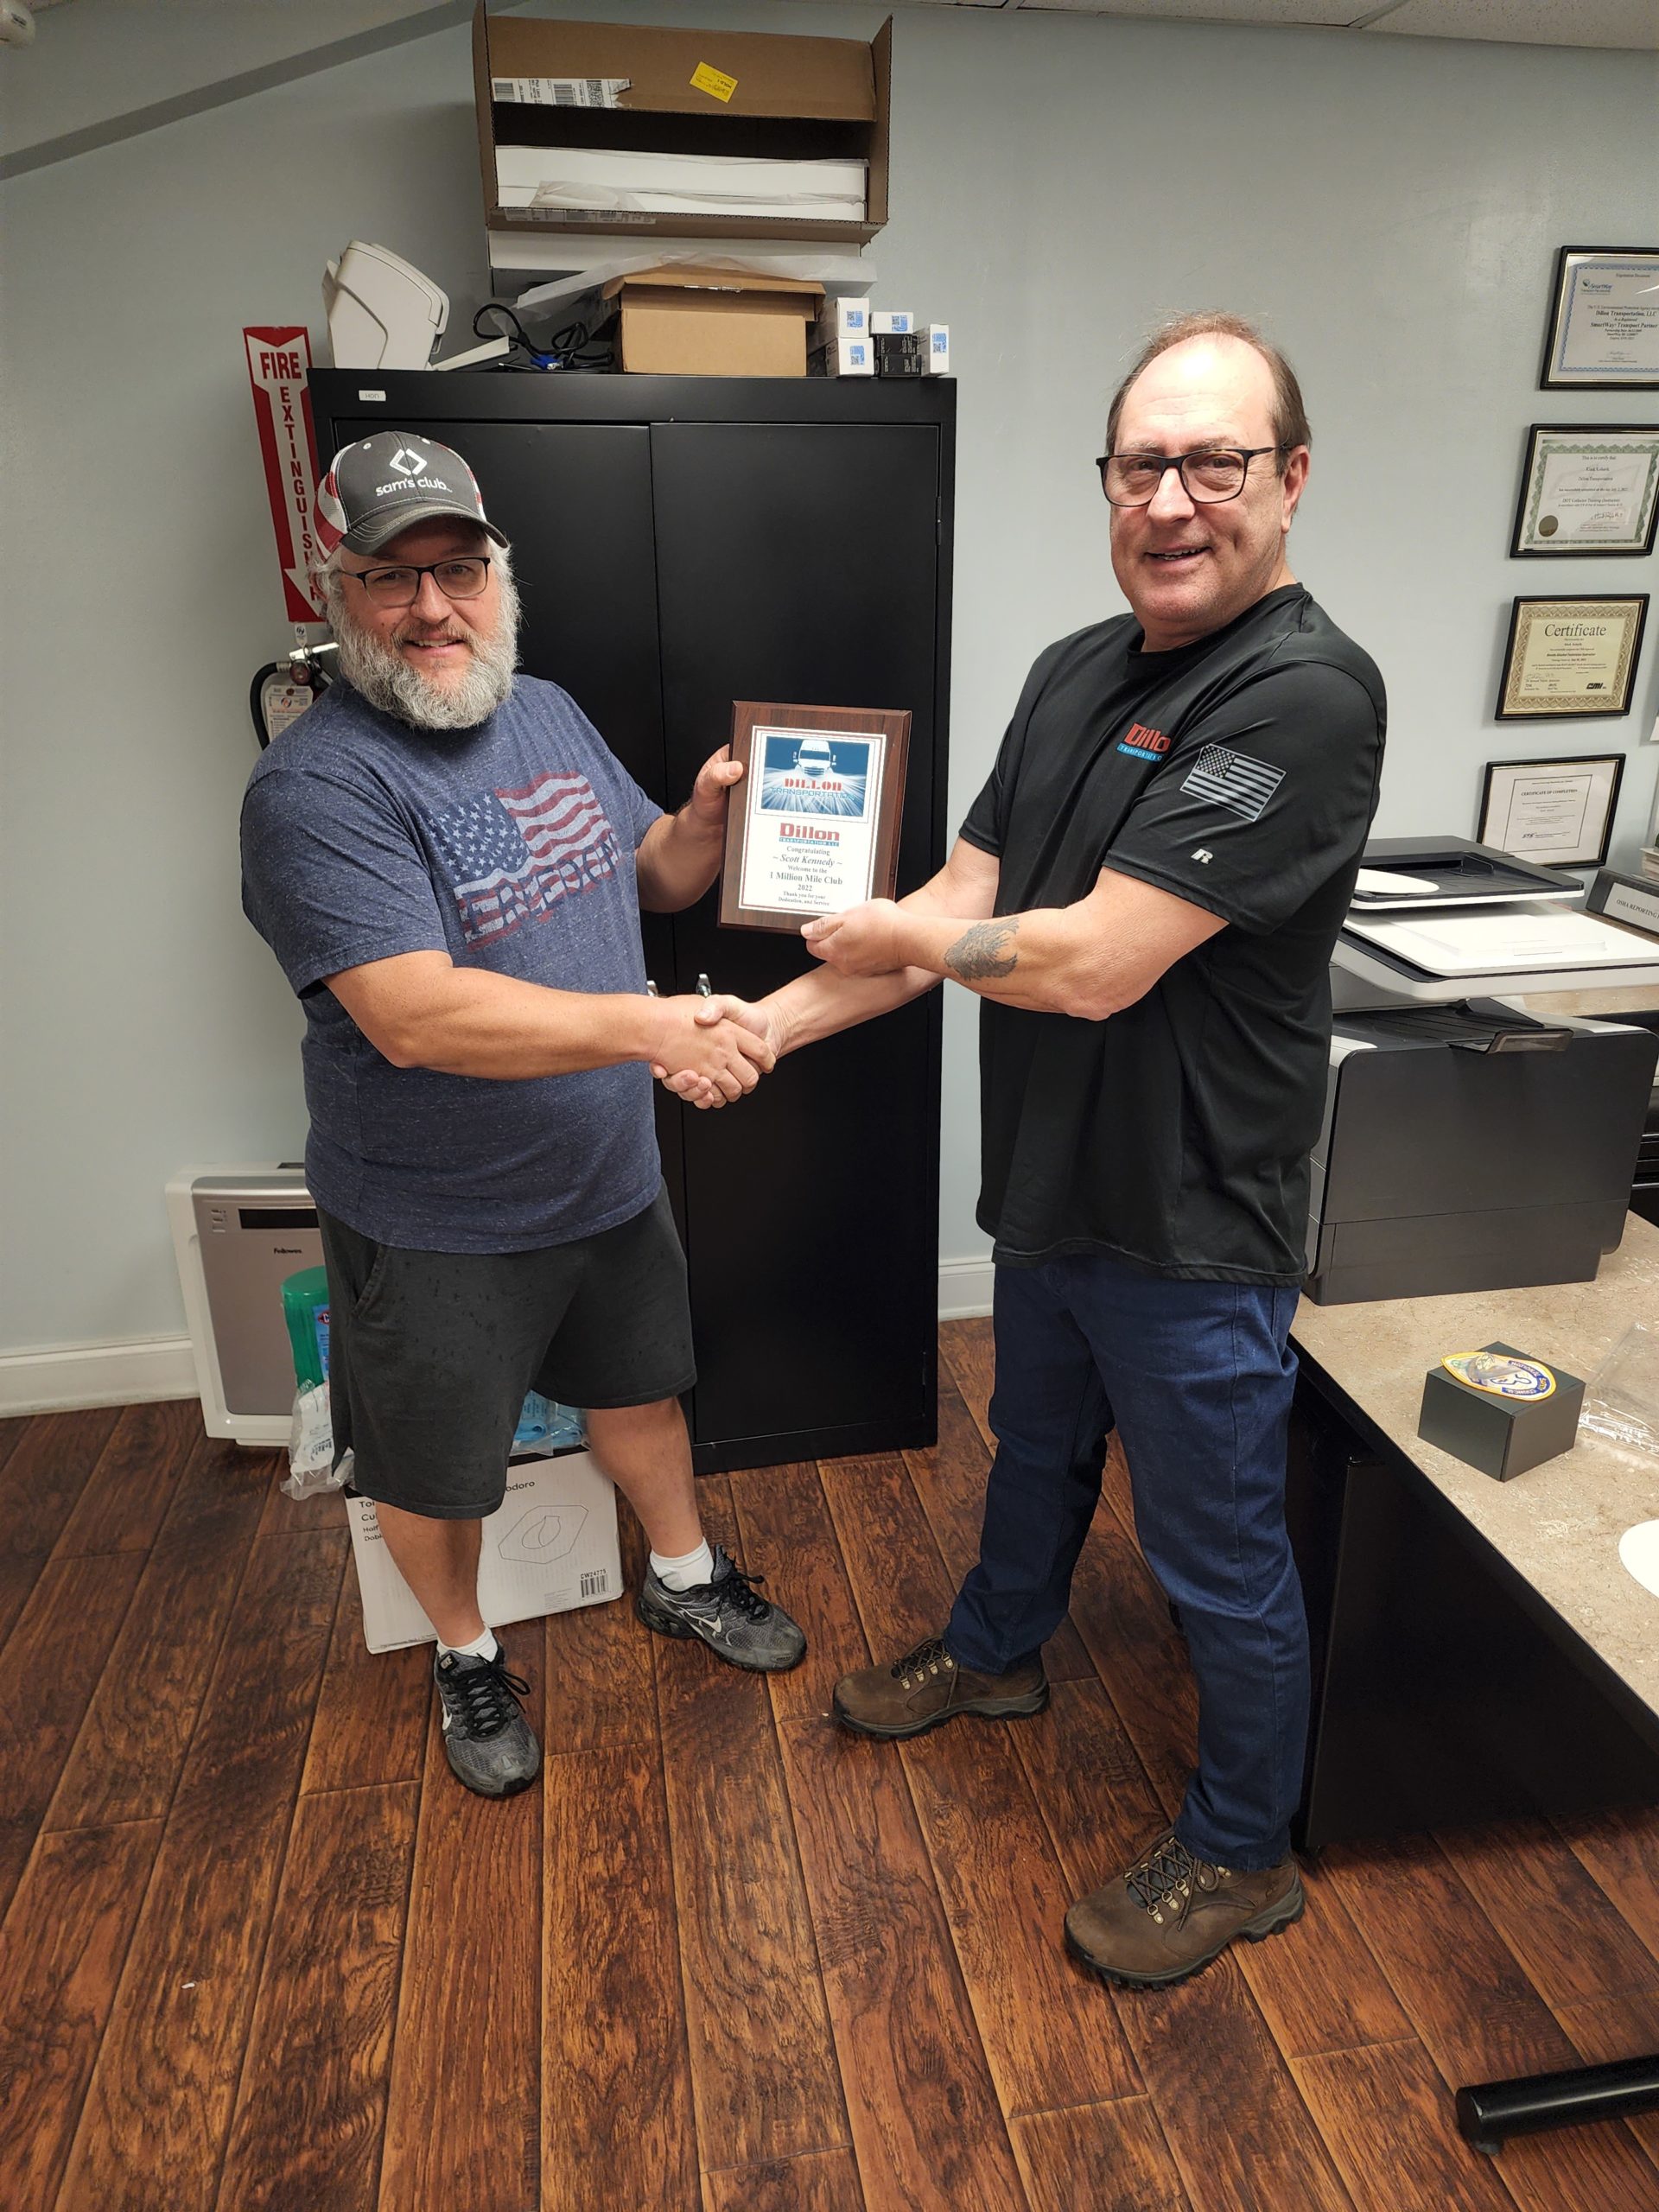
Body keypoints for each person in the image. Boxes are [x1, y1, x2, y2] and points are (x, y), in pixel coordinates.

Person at [671, 316, 1385, 1986]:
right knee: (1035, 1450)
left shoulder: (1301, 695)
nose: (1172, 500)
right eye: (1142, 465)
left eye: (1215, 463)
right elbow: (965, 897)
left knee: (1217, 1553)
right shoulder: (1076, 667)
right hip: (1055, 1185)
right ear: (1108, 483)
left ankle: (1242, 1850)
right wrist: (764, 1027)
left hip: (1193, 1219)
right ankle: (998, 1654)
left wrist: (904, 942)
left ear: (1290, 480)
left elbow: (1094, 962)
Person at [241, 432, 805, 1802]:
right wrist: (652, 1028)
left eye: (460, 570)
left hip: (604, 1175)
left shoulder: (543, 710)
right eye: (392, 577)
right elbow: (415, 1016)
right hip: (436, 1214)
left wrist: (706, 817)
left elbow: (649, 874)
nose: (433, 608)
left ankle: (682, 1575)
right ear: (337, 592)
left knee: (640, 1390)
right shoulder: (316, 789)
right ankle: (465, 1649)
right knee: (433, 1468)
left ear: (500, 574)